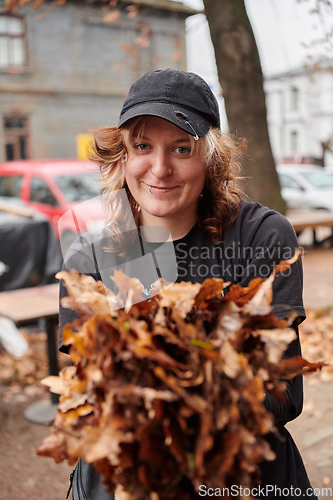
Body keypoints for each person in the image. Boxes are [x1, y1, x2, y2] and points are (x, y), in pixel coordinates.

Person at [59, 69, 317, 500]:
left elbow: (283, 394)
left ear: (211, 159)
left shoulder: (260, 237)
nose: (160, 168)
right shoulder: (92, 255)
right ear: (121, 155)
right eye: (143, 146)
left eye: (181, 148)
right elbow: (86, 396)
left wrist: (176, 389)